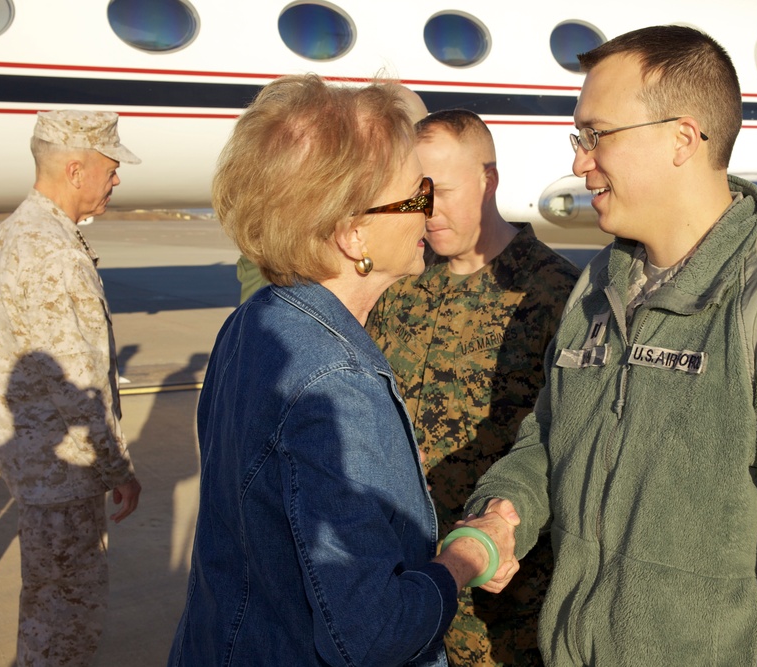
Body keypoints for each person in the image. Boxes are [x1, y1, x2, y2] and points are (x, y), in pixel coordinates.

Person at [465, 25, 757, 666]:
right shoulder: (596, 289)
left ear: (682, 139)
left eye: (596, 135)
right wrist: (506, 510)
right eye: (578, 138)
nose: (580, 161)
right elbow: (551, 438)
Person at [166, 74, 520, 667]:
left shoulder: (256, 322)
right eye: (415, 196)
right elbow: (372, 633)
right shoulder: (335, 381)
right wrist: (470, 554)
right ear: (354, 233)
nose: (427, 213)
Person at [367, 109, 579, 666]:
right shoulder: (400, 282)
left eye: (443, 191)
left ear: (490, 181)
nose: (426, 211)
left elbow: (571, 442)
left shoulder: (554, 294)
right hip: (403, 582)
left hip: (502, 600)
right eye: (415, 193)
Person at [0, 109, 143, 666]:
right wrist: (117, 469)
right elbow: (79, 380)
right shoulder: (53, 251)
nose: (117, 178)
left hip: (33, 463)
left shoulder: (15, 231)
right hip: (63, 472)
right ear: (77, 170)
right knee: (65, 622)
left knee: (46, 601)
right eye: (111, 166)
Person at [235, 83, 429, 303]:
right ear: (354, 235)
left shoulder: (267, 315)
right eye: (414, 197)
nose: (429, 209)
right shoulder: (309, 335)